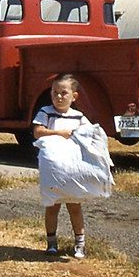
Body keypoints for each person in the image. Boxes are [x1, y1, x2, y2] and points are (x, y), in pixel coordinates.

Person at [32, 73, 91, 259]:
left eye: (63, 93)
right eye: (54, 92)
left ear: (74, 96)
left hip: (72, 169)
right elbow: (37, 132)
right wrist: (59, 133)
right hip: (52, 170)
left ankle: (80, 243)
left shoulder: (79, 117)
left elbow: (89, 135)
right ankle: (51, 242)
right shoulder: (45, 112)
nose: (58, 96)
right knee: (52, 206)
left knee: (75, 206)